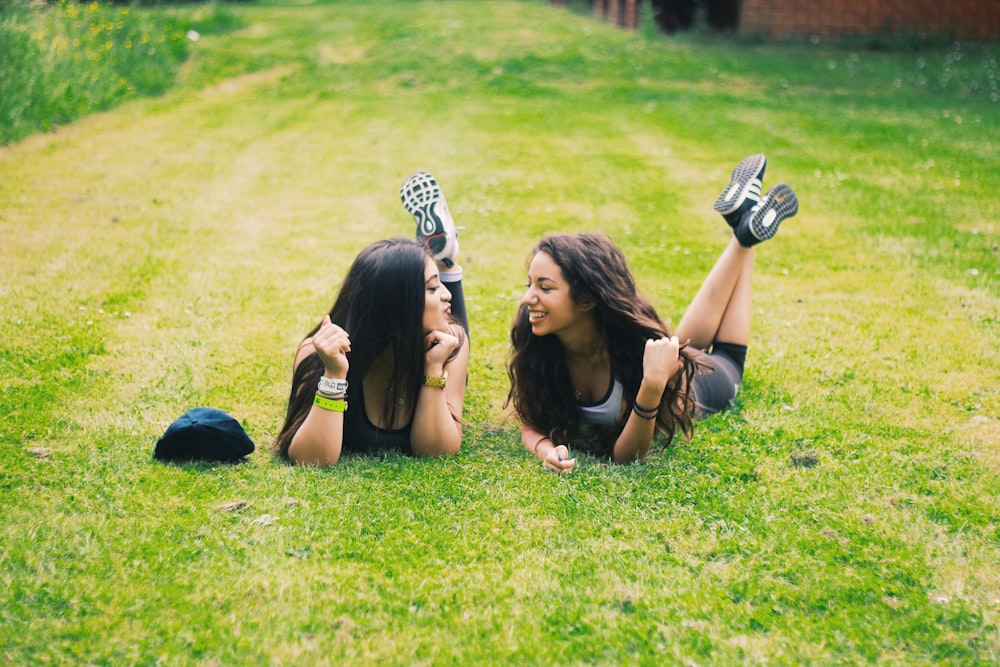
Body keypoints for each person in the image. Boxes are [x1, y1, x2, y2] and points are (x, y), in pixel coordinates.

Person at [507, 155, 799, 473]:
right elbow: (531, 423)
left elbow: (627, 456)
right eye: (529, 284)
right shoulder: (538, 339)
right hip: (666, 360)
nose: (527, 299)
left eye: (545, 288)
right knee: (678, 344)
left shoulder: (631, 352)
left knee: (727, 356)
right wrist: (546, 450)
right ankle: (744, 230)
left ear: (587, 299)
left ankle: (746, 240)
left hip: (696, 384)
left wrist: (653, 385)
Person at [275, 172, 470, 466]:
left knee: (453, 321)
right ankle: (442, 259)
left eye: (439, 284)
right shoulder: (319, 353)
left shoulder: (450, 343)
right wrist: (334, 375)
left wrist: (433, 367)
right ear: (395, 305)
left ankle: (446, 260)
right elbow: (311, 460)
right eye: (431, 287)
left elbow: (437, 451)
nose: (445, 295)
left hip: (430, 343)